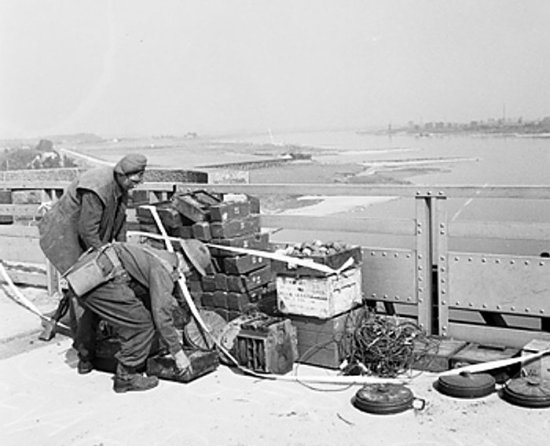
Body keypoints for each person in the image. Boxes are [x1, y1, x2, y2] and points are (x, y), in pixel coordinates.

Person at [38, 153, 148, 373]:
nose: (137, 184)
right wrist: (108, 259)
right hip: (67, 240)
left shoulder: (121, 188)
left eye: (140, 179)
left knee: (99, 289)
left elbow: (119, 223)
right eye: (134, 179)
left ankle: (98, 342)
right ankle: (85, 355)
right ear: (122, 175)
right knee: (84, 295)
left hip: (90, 240)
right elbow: (88, 230)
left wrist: (122, 254)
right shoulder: (97, 186)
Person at [73, 242, 191, 393]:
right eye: (191, 272)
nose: (187, 275)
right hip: (101, 277)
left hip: (85, 273)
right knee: (143, 325)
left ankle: (85, 360)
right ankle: (126, 376)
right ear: (187, 266)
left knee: (94, 311)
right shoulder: (164, 269)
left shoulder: (156, 254)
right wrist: (177, 351)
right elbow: (161, 314)